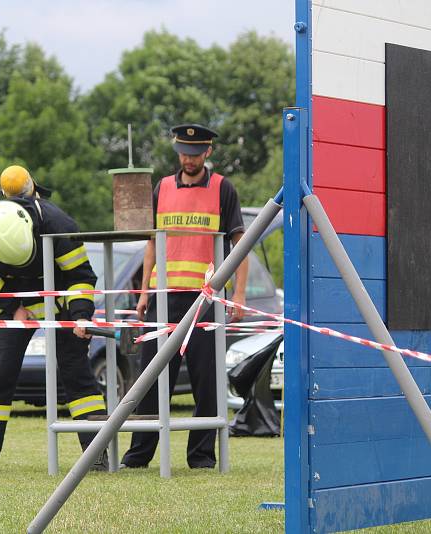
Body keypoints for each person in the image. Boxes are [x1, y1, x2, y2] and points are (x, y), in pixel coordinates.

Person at [120, 123, 249, 470]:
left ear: (207, 153)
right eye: (183, 153)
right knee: (150, 377)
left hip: (204, 300)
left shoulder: (223, 188)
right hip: (163, 298)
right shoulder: (161, 187)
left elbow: (241, 244)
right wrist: (144, 293)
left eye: (194, 154)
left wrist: (238, 293)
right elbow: (152, 242)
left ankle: (202, 456)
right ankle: (138, 456)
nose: (188, 159)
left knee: (206, 380)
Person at [0, 196, 106, 472]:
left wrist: (81, 315)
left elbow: (80, 275)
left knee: (77, 372)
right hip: (10, 298)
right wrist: (11, 306)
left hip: (61, 299)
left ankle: (97, 453)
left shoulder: (60, 225)